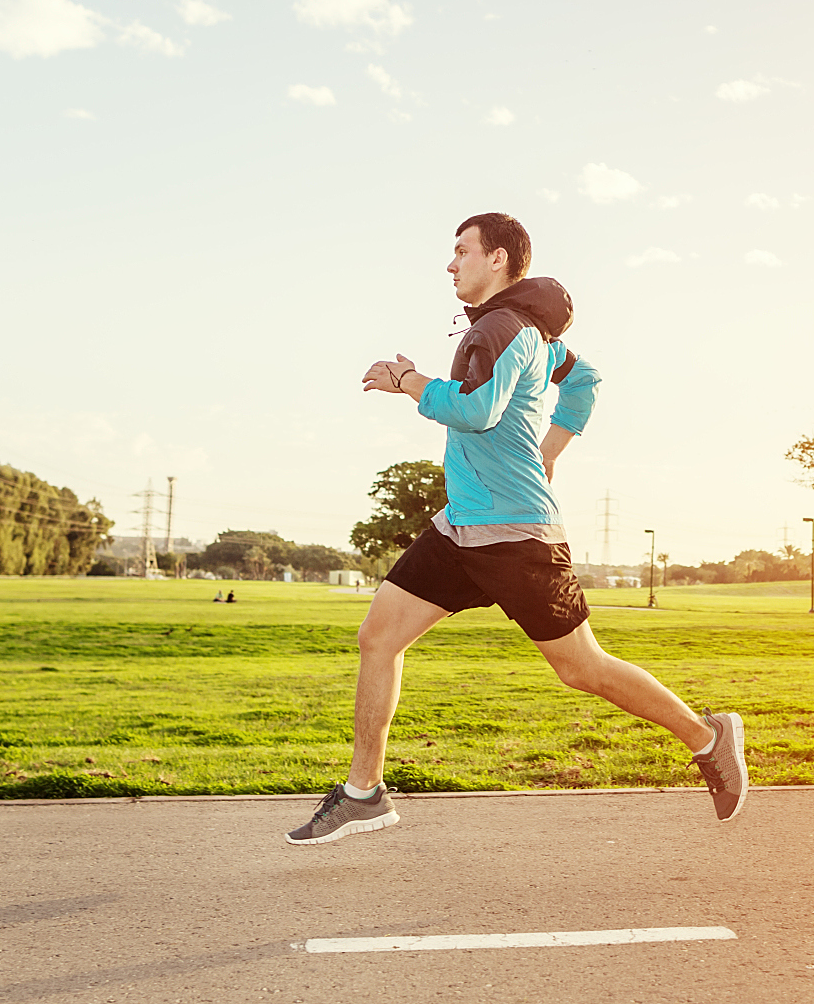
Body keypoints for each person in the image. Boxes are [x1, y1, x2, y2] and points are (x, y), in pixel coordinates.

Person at [286, 212, 749, 845]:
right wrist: (551, 449)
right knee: (379, 637)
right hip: (461, 525)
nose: (451, 264)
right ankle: (363, 793)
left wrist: (408, 382)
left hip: (516, 533)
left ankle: (707, 736)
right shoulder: (526, 333)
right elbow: (583, 382)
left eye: (462, 251)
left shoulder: (504, 328)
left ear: (498, 258)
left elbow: (477, 411)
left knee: (581, 668)